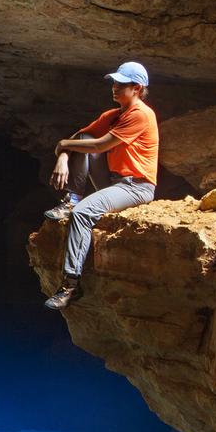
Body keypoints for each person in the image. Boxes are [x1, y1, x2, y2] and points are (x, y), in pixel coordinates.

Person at [43, 61, 158, 310]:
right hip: (114, 181)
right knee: (83, 138)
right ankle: (71, 198)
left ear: (137, 87)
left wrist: (63, 145)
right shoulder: (114, 115)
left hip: (136, 187)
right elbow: (79, 139)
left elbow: (98, 146)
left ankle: (70, 286)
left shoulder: (140, 114)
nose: (114, 88)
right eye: (114, 83)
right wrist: (63, 155)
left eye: (121, 84)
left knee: (83, 214)